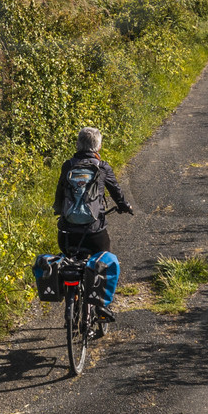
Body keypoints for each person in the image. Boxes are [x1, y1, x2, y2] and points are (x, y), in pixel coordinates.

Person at [53, 126, 133, 320]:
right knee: (104, 261)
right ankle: (101, 306)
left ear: (78, 144)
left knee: (68, 261)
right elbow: (116, 191)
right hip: (94, 233)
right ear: (98, 146)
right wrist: (124, 206)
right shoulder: (102, 167)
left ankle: (70, 296)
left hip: (67, 233)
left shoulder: (68, 165)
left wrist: (58, 211)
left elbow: (59, 194)